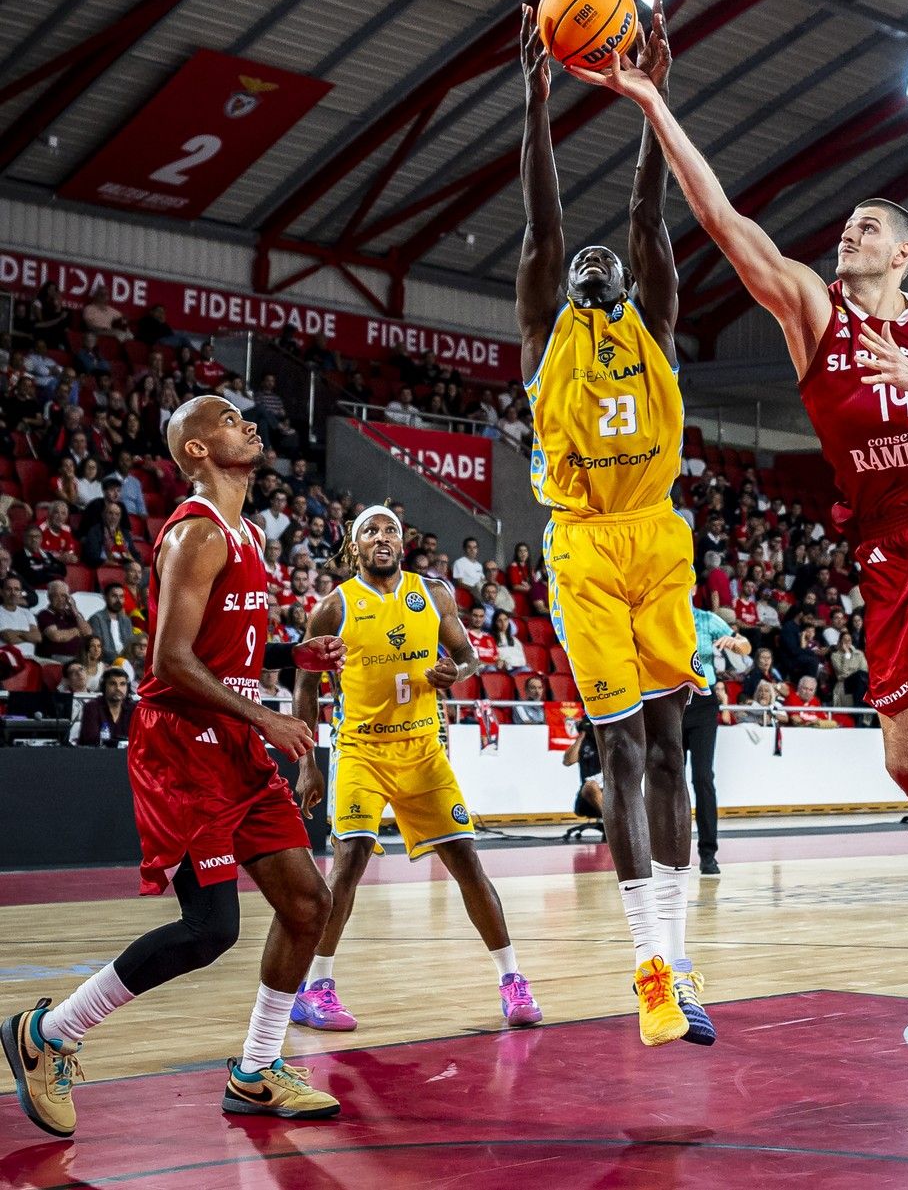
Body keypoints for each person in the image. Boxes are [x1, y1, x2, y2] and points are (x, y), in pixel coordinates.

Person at [600, 45, 908, 969]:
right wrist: (653, 100)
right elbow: (724, 220)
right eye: (845, 227)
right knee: (906, 760)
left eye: (865, 229)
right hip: (887, 536)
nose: (846, 235)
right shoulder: (813, 312)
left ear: (902, 251)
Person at [3, 395, 350, 1137]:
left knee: (307, 905)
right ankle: (50, 1034)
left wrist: (293, 655)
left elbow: (227, 649)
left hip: (232, 743)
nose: (250, 423)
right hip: (183, 746)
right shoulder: (196, 532)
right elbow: (168, 660)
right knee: (209, 927)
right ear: (196, 449)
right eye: (229, 418)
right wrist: (263, 712)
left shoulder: (248, 530)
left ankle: (256, 1070)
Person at [517, 0, 710, 1048]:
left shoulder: (657, 318)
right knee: (622, 749)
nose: (591, 262)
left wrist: (651, 99)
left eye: (610, 261)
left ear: (635, 278)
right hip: (585, 540)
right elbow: (549, 223)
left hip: (658, 532)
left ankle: (682, 958)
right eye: (580, 265)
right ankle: (644, 966)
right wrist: (538, 99)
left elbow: (649, 213)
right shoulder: (549, 323)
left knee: (675, 745)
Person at [292, 506, 542, 1033]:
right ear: (354, 546)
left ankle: (513, 980)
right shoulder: (333, 608)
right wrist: (307, 766)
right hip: (360, 749)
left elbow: (469, 657)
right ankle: (315, 987)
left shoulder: (434, 593)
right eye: (370, 531)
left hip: (423, 748)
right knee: (351, 857)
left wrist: (456, 671)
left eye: (390, 530)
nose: (381, 537)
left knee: (467, 862)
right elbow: (306, 688)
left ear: (403, 542)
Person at [686, 603, 746, 878]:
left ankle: (708, 853)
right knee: (667, 777)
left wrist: (736, 644)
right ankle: (665, 851)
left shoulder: (706, 619)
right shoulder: (658, 613)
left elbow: (744, 645)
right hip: (669, 701)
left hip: (702, 702)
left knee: (702, 777)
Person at [76, 666, 136, 747]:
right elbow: (91, 739)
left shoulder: (133, 708)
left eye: (122, 684)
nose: (118, 688)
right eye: (112, 684)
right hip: (97, 756)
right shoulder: (92, 707)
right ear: (104, 686)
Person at [37, 579, 91, 662]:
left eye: (63, 595)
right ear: (49, 597)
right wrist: (77, 630)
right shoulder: (44, 614)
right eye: (56, 596)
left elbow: (88, 632)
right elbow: (56, 636)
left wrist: (74, 609)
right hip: (56, 657)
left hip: (77, 656)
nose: (60, 599)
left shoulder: (73, 614)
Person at [563, 714, 604, 820]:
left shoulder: (609, 743)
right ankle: (611, 823)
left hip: (609, 791)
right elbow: (568, 761)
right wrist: (581, 736)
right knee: (591, 786)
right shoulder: (584, 743)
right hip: (588, 796)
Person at [88, 584, 135, 662]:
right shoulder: (97, 619)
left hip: (126, 661)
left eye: (121, 597)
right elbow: (99, 649)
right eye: (114, 596)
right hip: (107, 662)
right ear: (105, 598)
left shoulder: (126, 620)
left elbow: (130, 645)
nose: (118, 600)